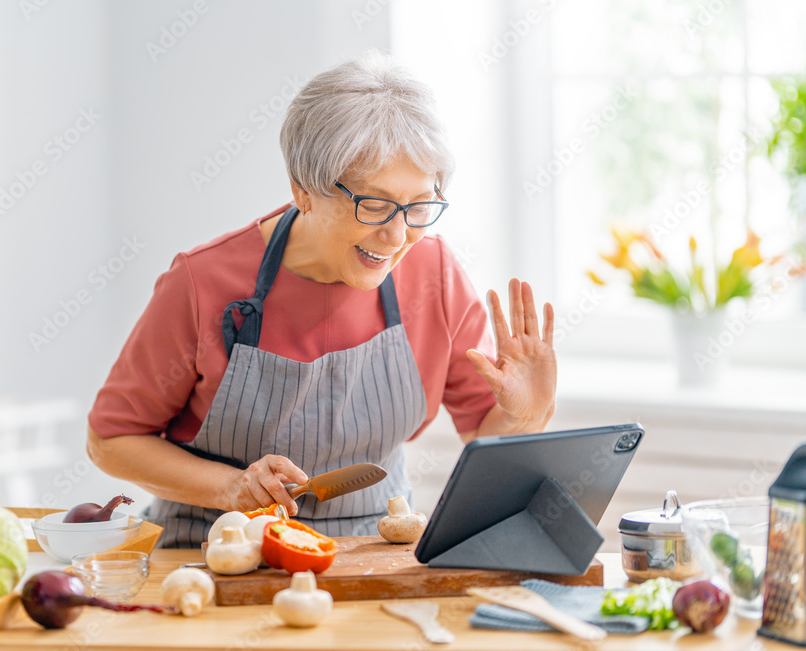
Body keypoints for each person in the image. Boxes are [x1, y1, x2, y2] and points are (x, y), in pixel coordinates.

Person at [86, 52, 557, 548]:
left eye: (418, 206)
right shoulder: (203, 283)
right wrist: (231, 487)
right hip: (220, 556)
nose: (397, 235)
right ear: (303, 189)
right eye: (373, 204)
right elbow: (111, 440)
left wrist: (526, 414)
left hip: (375, 555)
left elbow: (484, 431)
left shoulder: (434, 273)